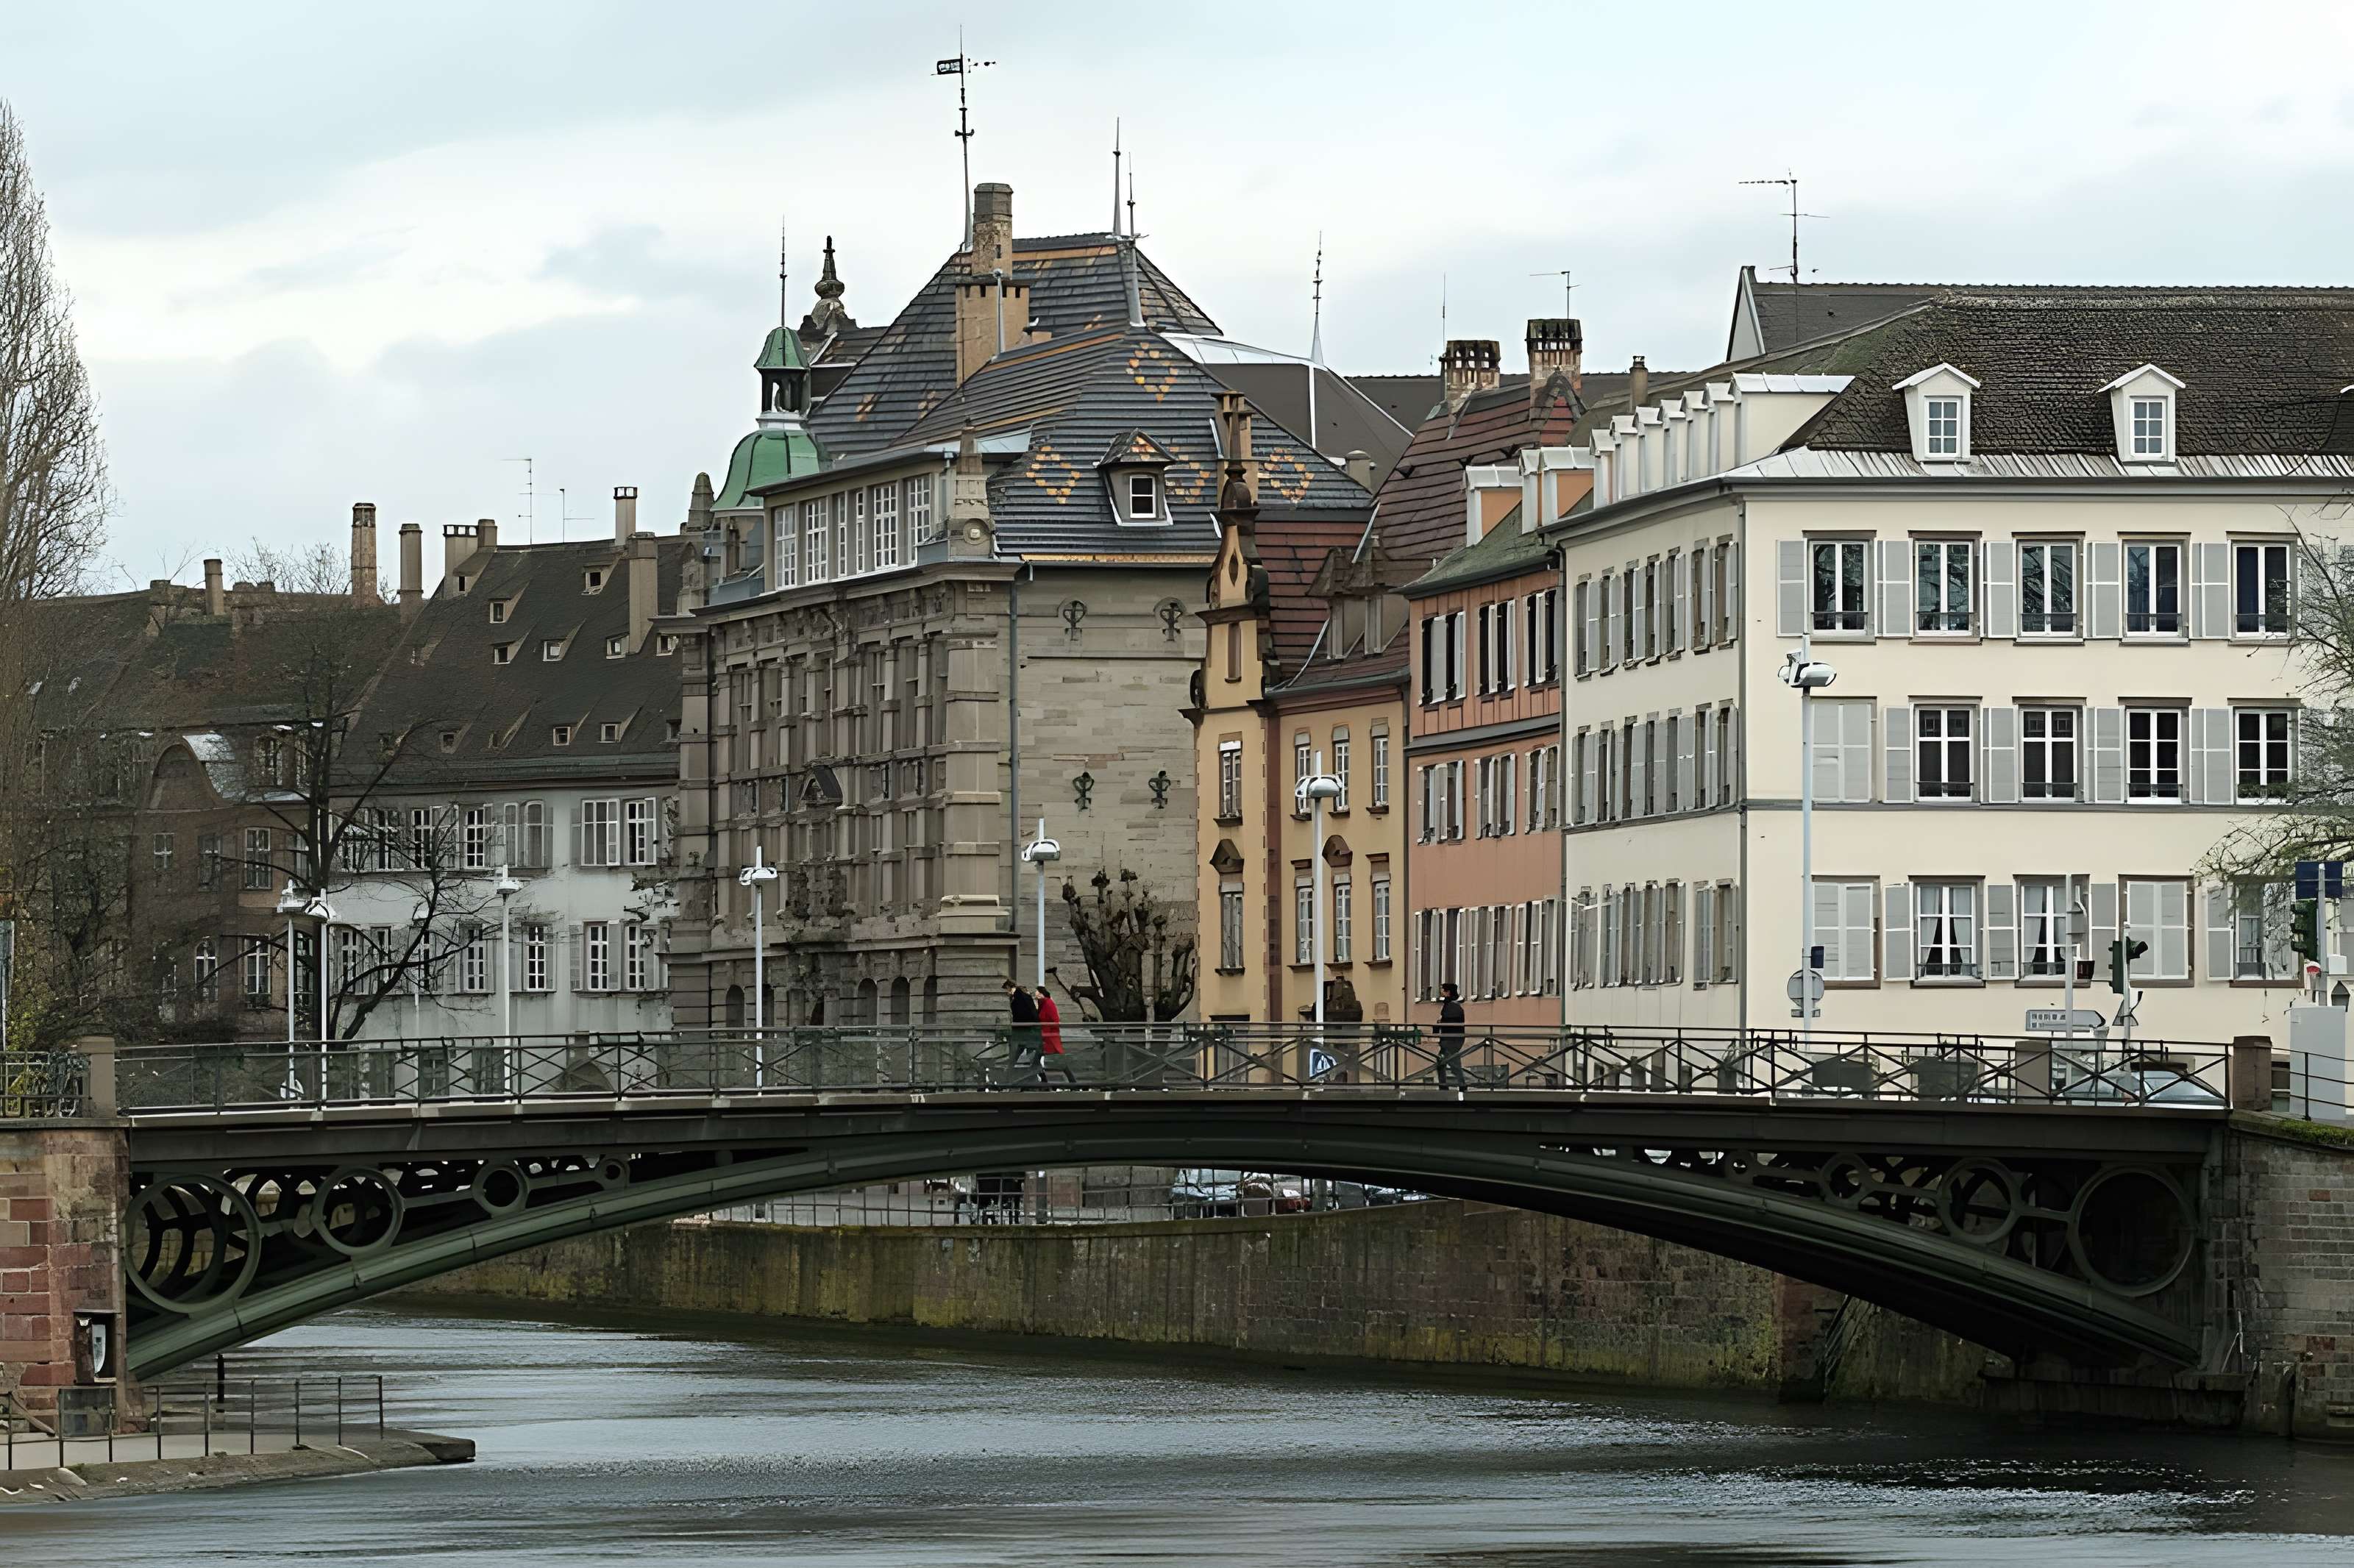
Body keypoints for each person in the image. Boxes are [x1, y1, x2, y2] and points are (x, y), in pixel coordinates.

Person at [1035, 983, 1077, 1085]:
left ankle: (1071, 1082)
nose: (1035, 993)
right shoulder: (1043, 1003)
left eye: (1036, 991)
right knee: (1037, 1060)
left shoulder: (1048, 1003)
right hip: (1046, 1037)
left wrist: (1046, 1032)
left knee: (1058, 1061)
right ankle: (1045, 1081)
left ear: (1041, 994)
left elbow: (1054, 1020)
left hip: (1049, 1038)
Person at [1003, 978, 1042, 1083]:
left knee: (1015, 1057)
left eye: (1006, 990)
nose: (1007, 993)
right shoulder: (1024, 996)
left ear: (1009, 988)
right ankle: (1043, 1082)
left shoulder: (1018, 998)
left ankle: (1007, 1080)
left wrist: (1015, 1027)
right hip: (1029, 1032)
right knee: (1033, 1059)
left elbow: (1021, 1015)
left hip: (1024, 1033)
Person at [1435, 982, 1469, 1091]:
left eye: (1443, 990)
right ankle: (1450, 1085)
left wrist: (1441, 1023)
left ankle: (1458, 1085)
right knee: (1445, 1063)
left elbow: (1450, 1021)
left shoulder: (1452, 1006)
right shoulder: (1452, 1005)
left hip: (1451, 1040)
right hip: (1451, 1039)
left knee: (1451, 1064)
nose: (1441, 992)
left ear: (1448, 992)